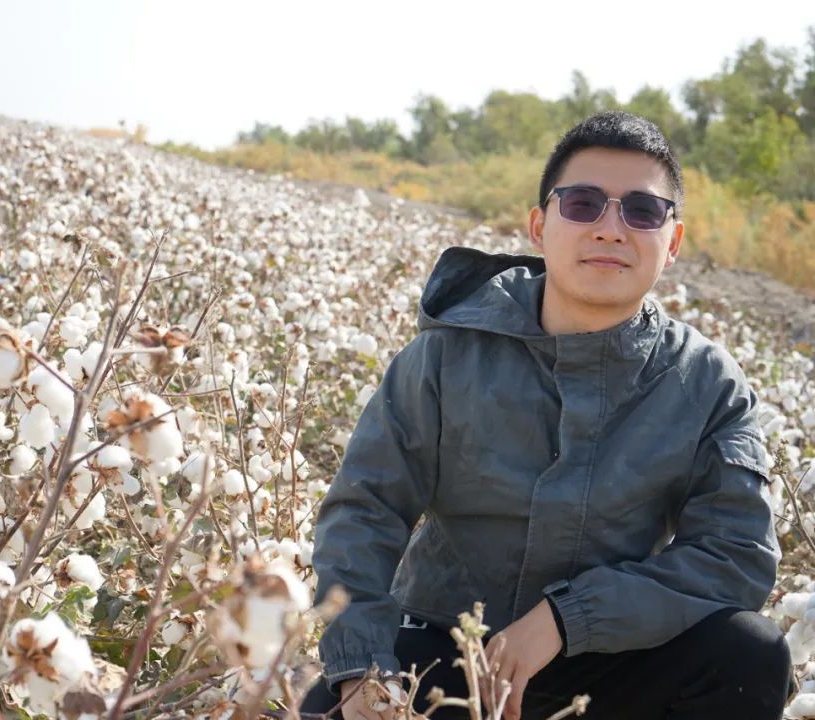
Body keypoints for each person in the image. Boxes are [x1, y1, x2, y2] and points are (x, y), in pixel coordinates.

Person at [299, 111, 793, 720]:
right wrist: (362, 673)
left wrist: (568, 618)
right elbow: (364, 510)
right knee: (332, 705)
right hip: (443, 645)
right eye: (584, 204)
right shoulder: (447, 354)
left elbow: (735, 554)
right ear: (539, 226)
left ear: (673, 243)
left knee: (750, 656)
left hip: (610, 656)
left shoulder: (706, 381)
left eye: (642, 211)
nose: (610, 230)